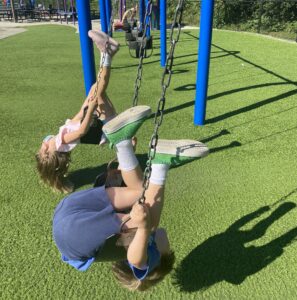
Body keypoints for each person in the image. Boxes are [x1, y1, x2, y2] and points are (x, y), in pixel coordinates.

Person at [52, 105, 209, 291]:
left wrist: (143, 229)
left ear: (158, 256)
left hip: (75, 237)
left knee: (149, 223)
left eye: (168, 249)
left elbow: (137, 261)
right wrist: (128, 158)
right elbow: (128, 187)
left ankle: (160, 163)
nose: (169, 244)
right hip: (64, 215)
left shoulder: (146, 258)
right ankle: (121, 142)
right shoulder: (111, 239)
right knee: (139, 191)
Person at [36, 30, 120, 194]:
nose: (43, 145)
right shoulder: (61, 141)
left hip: (101, 125)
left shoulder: (58, 140)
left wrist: (86, 105)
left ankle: (108, 52)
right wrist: (92, 106)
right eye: (43, 151)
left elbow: (75, 120)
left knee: (95, 89)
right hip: (105, 126)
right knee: (98, 92)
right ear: (51, 152)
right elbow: (82, 130)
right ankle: (107, 52)